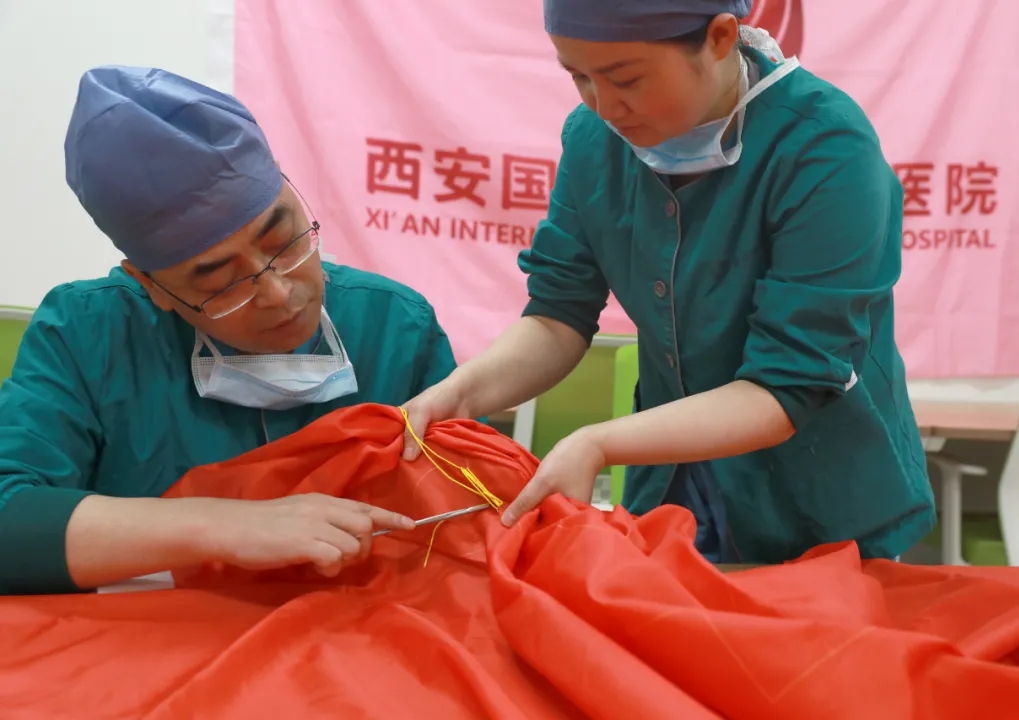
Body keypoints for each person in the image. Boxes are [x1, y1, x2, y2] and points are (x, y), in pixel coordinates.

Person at [402, 0, 935, 565]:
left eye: (627, 79)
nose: (605, 107)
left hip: (818, 504)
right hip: (673, 493)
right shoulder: (593, 140)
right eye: (580, 77)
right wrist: (461, 393)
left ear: (721, 37)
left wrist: (598, 442)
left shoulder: (826, 150)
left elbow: (787, 385)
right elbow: (558, 315)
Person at [0, 67, 458, 595]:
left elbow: (469, 511)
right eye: (220, 281)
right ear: (149, 284)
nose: (279, 293)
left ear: (288, 187)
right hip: (154, 638)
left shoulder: (397, 326)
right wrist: (221, 525)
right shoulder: (88, 334)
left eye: (283, 239)